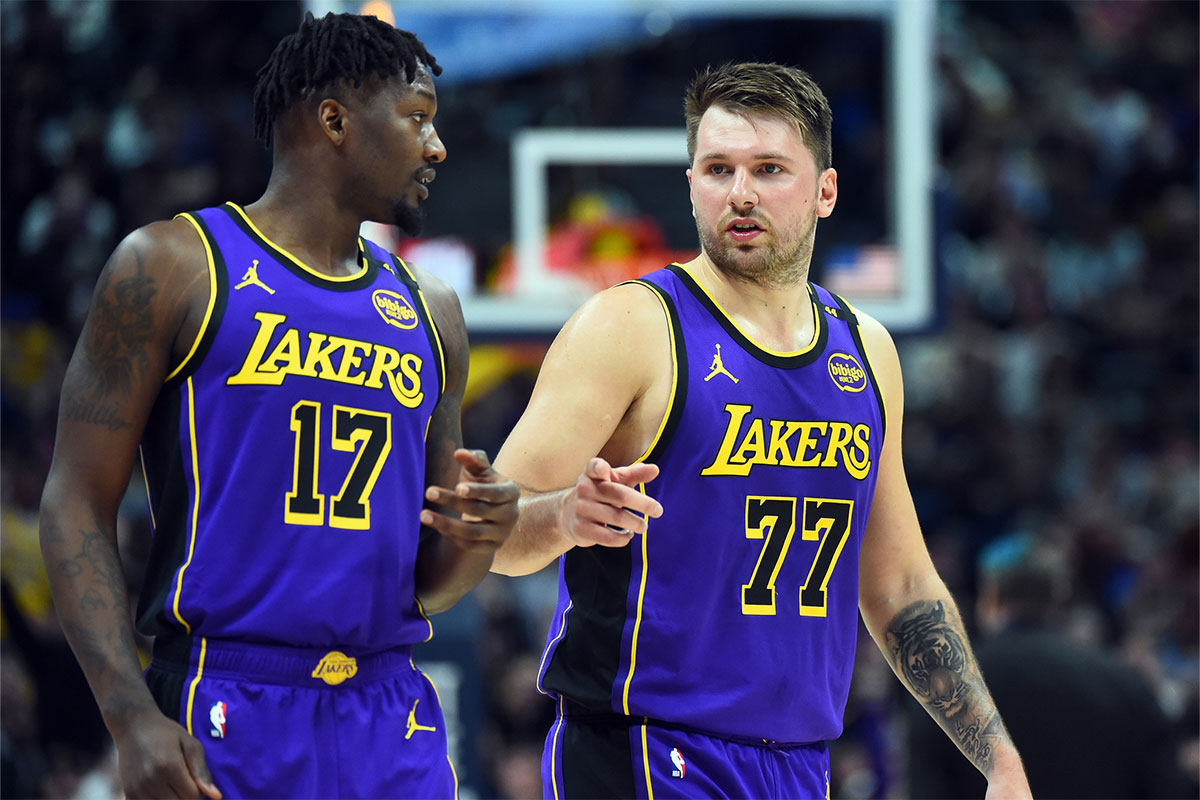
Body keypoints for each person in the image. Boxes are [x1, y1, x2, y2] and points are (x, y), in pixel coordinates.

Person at [491, 62, 1033, 799]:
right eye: (718, 169)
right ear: (691, 186)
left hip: (799, 763)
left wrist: (999, 761)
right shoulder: (630, 326)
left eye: (769, 169)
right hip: (646, 750)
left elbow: (901, 584)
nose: (740, 193)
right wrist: (562, 518)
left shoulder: (867, 350)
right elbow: (488, 532)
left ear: (825, 191)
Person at [38, 12, 519, 799]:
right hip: (224, 699)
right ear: (334, 121)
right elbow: (72, 505)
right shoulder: (171, 266)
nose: (436, 148)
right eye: (418, 119)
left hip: (389, 709)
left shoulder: (434, 311)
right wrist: (129, 717)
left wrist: (480, 537)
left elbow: (431, 581)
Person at [908, 534, 1191, 799]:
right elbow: (1166, 787)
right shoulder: (1123, 682)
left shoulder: (946, 686)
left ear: (990, 596)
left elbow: (925, 787)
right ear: (1059, 597)